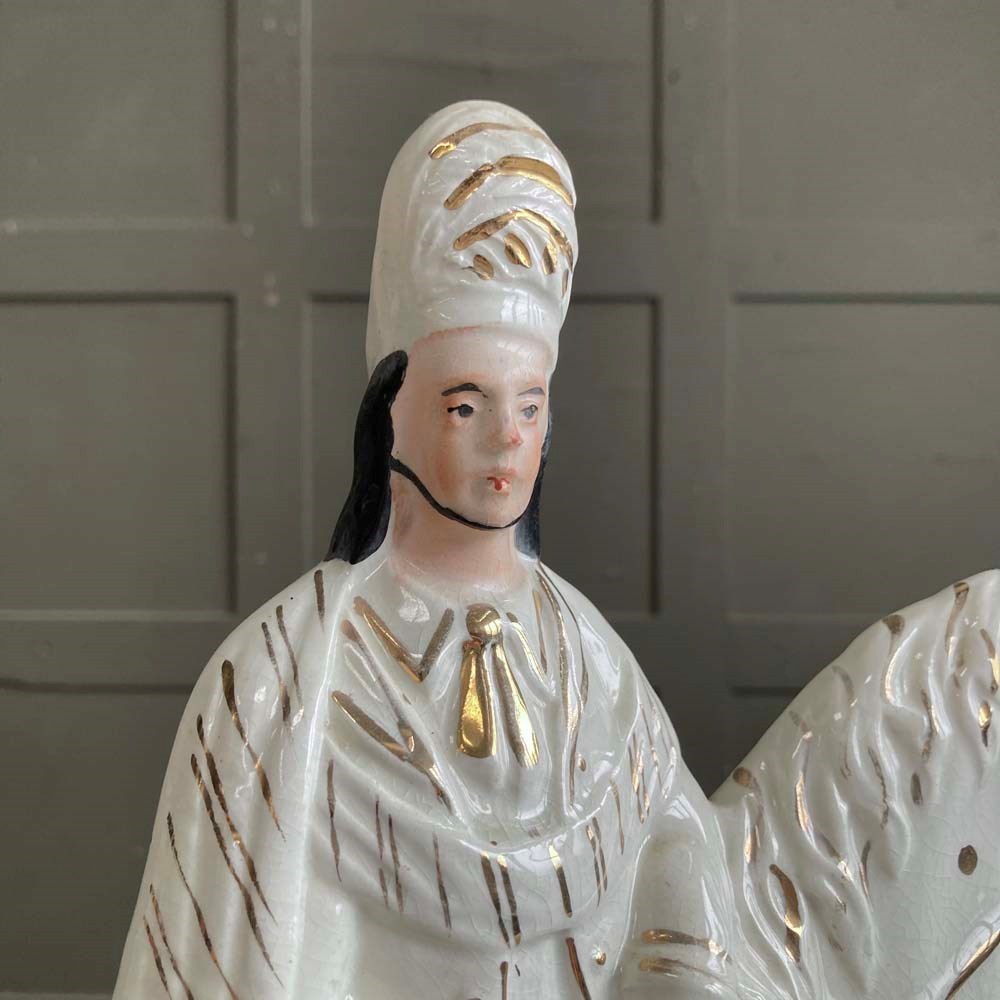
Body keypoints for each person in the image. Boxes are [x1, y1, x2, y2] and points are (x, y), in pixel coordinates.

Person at [113, 101, 1000, 999]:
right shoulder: (285, 679)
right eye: (466, 405)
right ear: (391, 412)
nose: (506, 437)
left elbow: (677, 840)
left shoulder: (585, 659)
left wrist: (677, 957)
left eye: (529, 405)